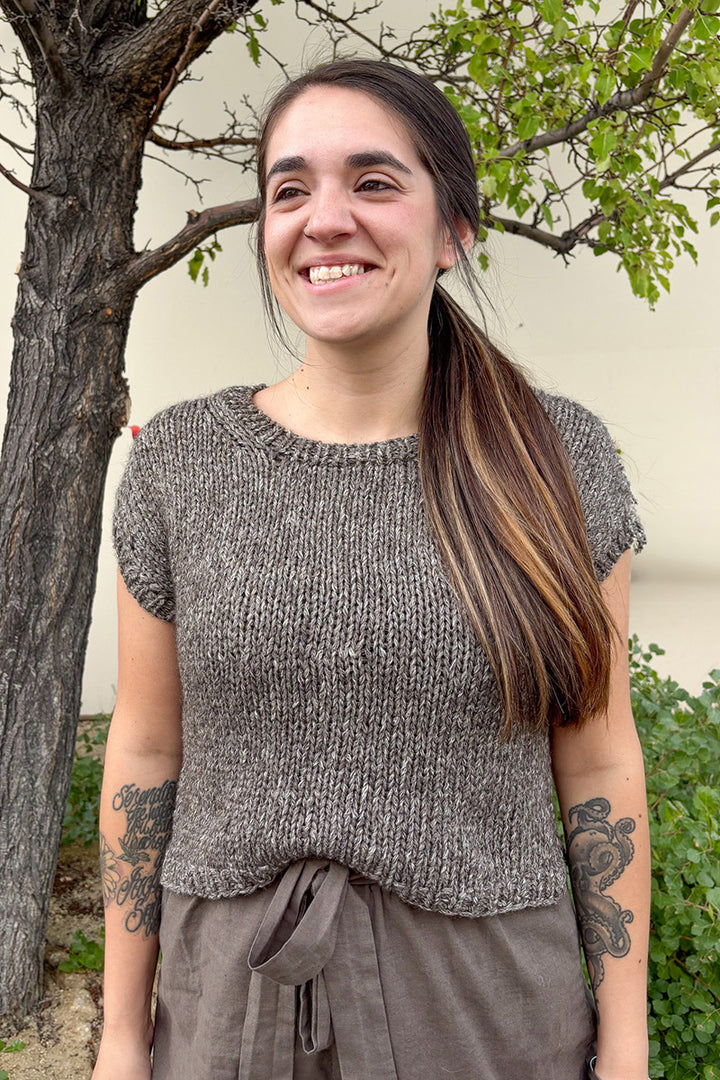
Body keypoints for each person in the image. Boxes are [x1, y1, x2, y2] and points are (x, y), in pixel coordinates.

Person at [92, 58, 650, 1080]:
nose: (325, 219)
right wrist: (123, 1041)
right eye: (290, 190)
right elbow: (146, 749)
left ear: (454, 230)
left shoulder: (558, 461)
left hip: (484, 1017)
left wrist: (625, 1048)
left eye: (375, 181)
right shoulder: (178, 462)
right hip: (228, 1013)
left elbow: (600, 764)